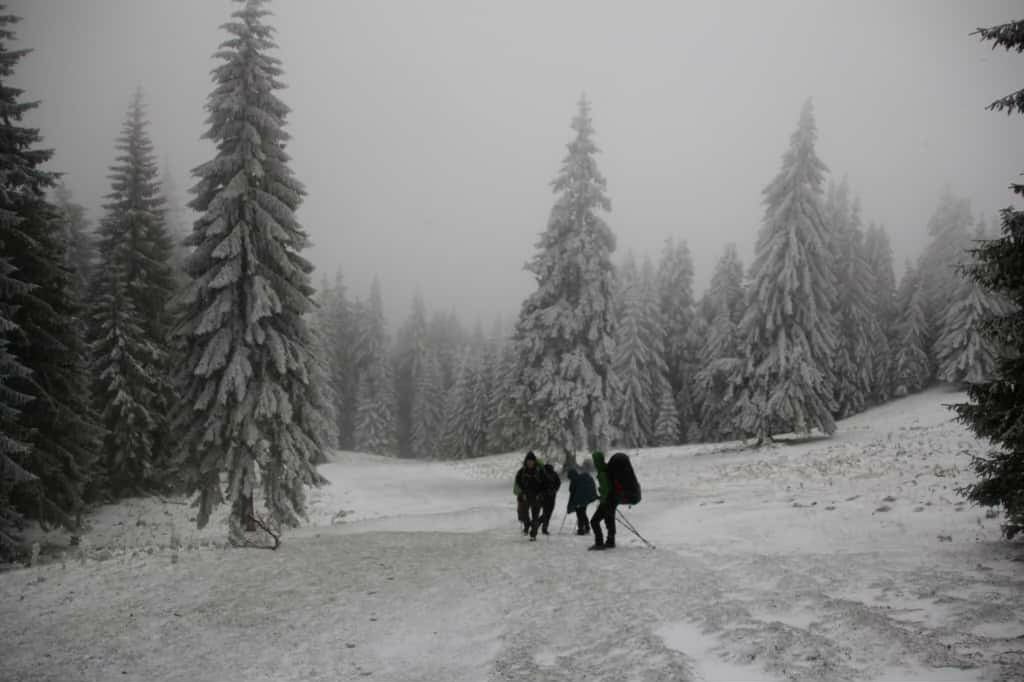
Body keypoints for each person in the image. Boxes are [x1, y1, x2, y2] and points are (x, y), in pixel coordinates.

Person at [513, 451, 546, 540]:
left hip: (537, 497)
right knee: (524, 515)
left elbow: (545, 484)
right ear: (526, 461)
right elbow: (518, 482)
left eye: (531, 461)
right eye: (528, 461)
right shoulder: (522, 471)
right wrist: (522, 493)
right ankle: (527, 525)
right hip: (525, 497)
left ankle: (533, 535)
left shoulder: (540, 471)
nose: (530, 462)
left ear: (534, 461)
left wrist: (541, 494)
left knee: (535, 517)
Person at [589, 451, 617, 550]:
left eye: (594, 460)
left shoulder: (602, 472)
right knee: (609, 520)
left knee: (594, 521)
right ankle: (610, 541)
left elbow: (606, 488)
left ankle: (599, 543)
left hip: (607, 501)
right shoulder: (607, 468)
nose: (594, 462)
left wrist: (601, 496)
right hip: (613, 500)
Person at [566, 467, 598, 535]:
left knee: (580, 514)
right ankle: (587, 527)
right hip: (585, 500)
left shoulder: (574, 480)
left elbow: (571, 490)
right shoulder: (582, 478)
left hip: (578, 500)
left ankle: (581, 530)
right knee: (583, 513)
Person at [539, 462, 561, 534]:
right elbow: (558, 483)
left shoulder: (545, 473)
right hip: (548, 496)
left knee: (547, 513)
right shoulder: (552, 474)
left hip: (547, 496)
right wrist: (554, 490)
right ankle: (543, 528)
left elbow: (558, 483)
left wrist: (554, 490)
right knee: (547, 513)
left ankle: (538, 524)